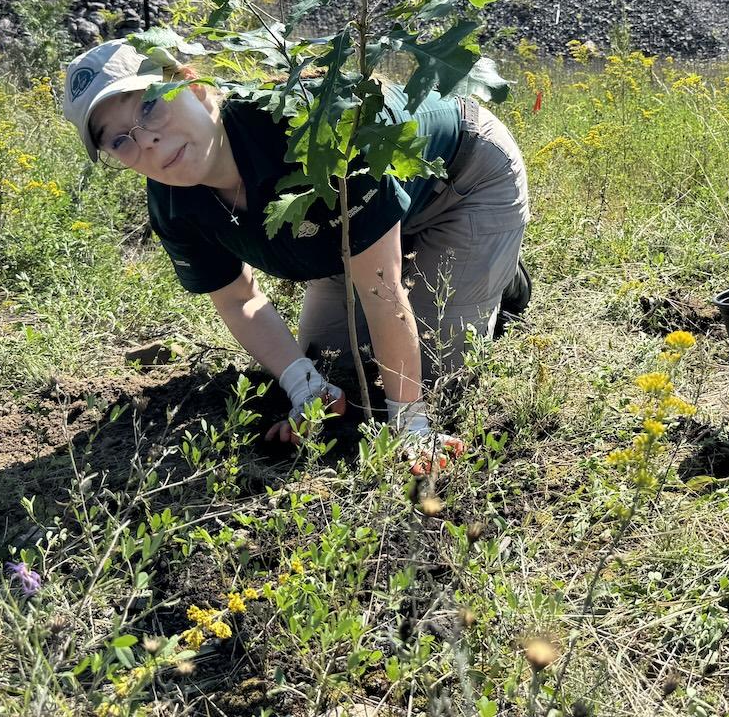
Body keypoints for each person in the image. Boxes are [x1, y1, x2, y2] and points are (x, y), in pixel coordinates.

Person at [61, 39, 531, 473]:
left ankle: (501, 279)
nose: (146, 141)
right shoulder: (173, 203)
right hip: (349, 235)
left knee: (432, 376)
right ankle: (409, 254)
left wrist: (410, 423)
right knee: (333, 364)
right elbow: (237, 298)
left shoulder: (306, 128)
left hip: (461, 178)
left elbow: (380, 290)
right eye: (119, 139)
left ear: (193, 84)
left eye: (150, 106)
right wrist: (300, 381)